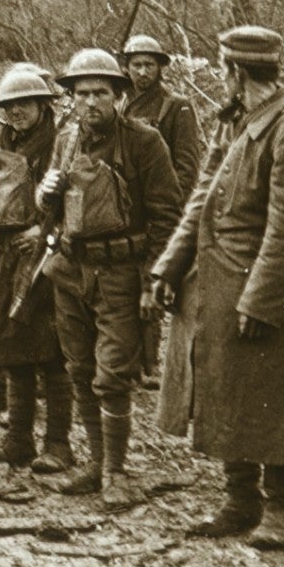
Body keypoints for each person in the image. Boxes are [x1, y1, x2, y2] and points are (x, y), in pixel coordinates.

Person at [146, 25, 284, 550]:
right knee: (225, 388)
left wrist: (262, 300)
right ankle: (239, 498)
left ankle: (282, 508)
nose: (221, 80)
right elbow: (200, 201)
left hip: (271, 291)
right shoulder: (236, 124)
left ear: (236, 73)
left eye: (224, 72)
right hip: (219, 284)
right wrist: (168, 266)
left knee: (277, 397)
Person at [37, 48, 183, 507]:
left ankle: (116, 472)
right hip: (70, 268)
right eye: (83, 94)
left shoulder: (145, 141)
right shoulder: (66, 140)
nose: (92, 102)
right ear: (71, 99)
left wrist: (151, 282)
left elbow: (167, 217)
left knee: (113, 374)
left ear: (119, 95)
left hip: (120, 273)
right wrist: (45, 196)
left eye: (102, 92)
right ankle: (95, 463)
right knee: (79, 367)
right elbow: (51, 210)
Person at [0, 64, 74, 472]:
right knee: (11, 350)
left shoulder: (60, 143)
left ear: (43, 105)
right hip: (6, 255)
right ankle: (18, 442)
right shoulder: (7, 140)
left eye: (24, 105)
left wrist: (45, 229)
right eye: (9, 107)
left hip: (43, 258)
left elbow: (73, 199)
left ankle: (59, 445)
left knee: (49, 355)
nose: (16, 113)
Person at [122, 35, 201, 387]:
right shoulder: (119, 104)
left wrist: (174, 207)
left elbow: (186, 164)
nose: (142, 72)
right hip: (123, 208)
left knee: (151, 276)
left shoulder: (175, 106)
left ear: (160, 68)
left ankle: (148, 362)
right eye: (136, 64)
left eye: (149, 65)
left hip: (159, 206)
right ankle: (126, 355)